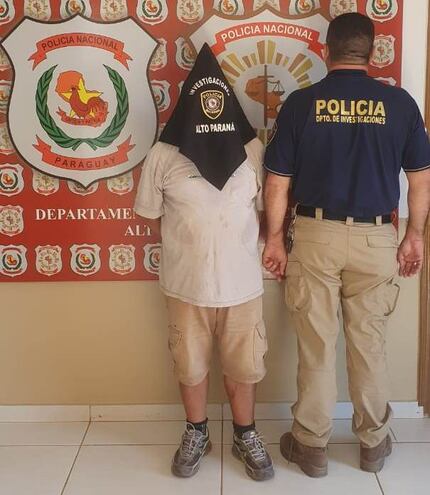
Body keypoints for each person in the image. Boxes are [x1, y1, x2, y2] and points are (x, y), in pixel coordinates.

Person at [263, 12, 430, 478]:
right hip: (378, 239)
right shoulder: (400, 104)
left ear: (326, 51)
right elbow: (420, 180)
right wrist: (415, 235)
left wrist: (274, 239)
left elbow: (276, 183)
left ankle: (311, 447)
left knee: (317, 346)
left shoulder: (301, 104)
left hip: (316, 236)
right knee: (369, 346)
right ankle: (373, 445)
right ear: (372, 53)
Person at [134, 44, 273, 481]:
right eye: (203, 103)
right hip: (186, 284)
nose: (211, 110)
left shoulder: (253, 151)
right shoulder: (163, 155)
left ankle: (245, 433)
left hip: (242, 284)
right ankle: (197, 431)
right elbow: (151, 216)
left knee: (245, 367)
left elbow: (268, 210)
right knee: (190, 366)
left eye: (218, 102)